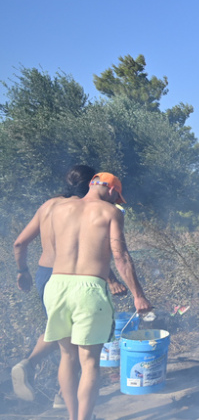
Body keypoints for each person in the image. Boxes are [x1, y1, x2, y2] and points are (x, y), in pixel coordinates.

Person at [43, 172, 152, 420]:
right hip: (89, 289)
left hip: (56, 285)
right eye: (118, 196)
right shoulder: (111, 212)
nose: (117, 201)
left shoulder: (58, 208)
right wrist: (138, 295)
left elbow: (54, 250)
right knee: (90, 362)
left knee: (67, 356)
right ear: (112, 190)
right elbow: (121, 256)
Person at [11, 166, 127, 405]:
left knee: (61, 331)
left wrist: (22, 271)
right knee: (79, 342)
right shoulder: (84, 209)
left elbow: (19, 243)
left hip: (46, 276)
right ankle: (64, 398)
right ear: (91, 184)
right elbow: (89, 252)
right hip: (74, 277)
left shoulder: (49, 206)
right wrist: (112, 279)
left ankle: (38, 373)